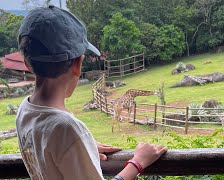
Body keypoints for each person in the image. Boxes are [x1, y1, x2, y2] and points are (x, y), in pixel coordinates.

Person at [15, 5, 167, 180]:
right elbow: (59, 137)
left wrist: (81, 147)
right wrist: (138, 163)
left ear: (27, 63)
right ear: (78, 65)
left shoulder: (24, 110)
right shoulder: (67, 128)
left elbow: (48, 152)